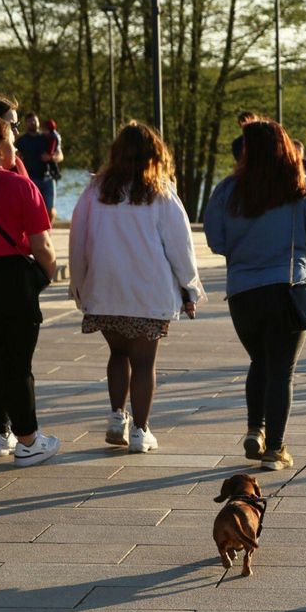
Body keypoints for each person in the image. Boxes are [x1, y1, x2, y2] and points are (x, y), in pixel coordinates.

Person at [69, 122, 205, 454]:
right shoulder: (160, 192)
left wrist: (79, 282)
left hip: (104, 289)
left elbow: (77, 239)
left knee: (117, 354)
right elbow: (180, 246)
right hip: (148, 292)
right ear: (154, 154)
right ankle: (141, 430)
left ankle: (117, 416)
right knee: (144, 363)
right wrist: (190, 287)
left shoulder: (95, 191)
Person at [205, 119, 306, 471]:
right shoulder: (299, 186)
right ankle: (275, 448)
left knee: (259, 361)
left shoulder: (229, 189)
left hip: (243, 292)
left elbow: (215, 240)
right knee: (282, 370)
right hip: (286, 288)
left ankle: (254, 429)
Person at [0, 115, 60, 473]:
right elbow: (43, 246)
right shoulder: (20, 187)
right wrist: (43, 276)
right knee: (16, 367)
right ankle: (28, 441)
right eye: (10, 142)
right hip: (11, 282)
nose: (15, 149)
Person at [15, 112, 62, 223]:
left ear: (38, 122)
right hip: (30, 180)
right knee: (33, 210)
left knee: (50, 210)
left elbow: (60, 155)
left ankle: (48, 234)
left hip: (48, 178)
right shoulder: (21, 141)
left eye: (35, 120)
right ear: (26, 123)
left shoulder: (47, 137)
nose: (33, 123)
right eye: (30, 121)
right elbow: (15, 158)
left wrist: (51, 157)